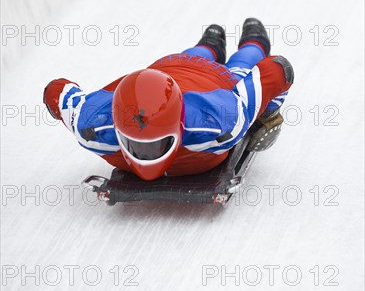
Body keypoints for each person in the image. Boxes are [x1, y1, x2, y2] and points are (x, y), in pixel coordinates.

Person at [44, 18, 294, 181]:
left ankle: (246, 40)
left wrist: (265, 112)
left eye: (158, 145)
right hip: (168, 69)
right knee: (202, 58)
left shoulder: (219, 121)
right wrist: (266, 114)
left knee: (243, 64)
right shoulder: (94, 125)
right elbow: (279, 70)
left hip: (214, 81)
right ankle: (211, 41)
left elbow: (278, 69)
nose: (146, 156)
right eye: (137, 145)